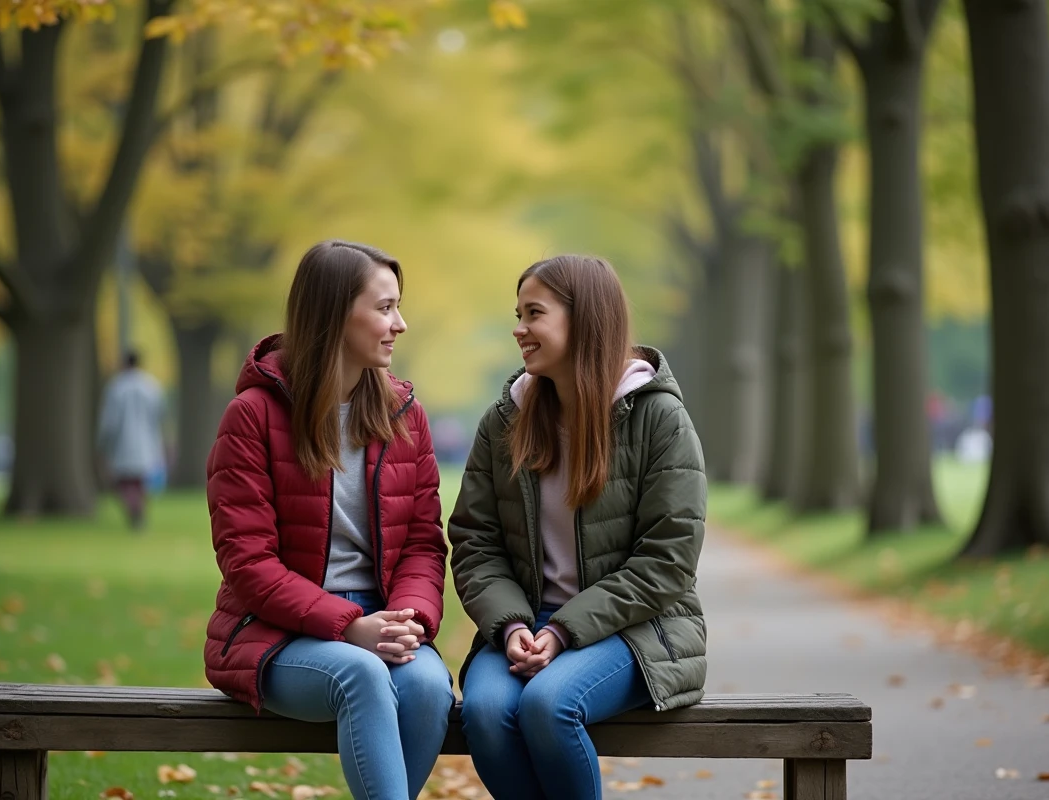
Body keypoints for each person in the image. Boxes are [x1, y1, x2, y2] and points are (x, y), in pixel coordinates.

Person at [449, 254, 708, 800]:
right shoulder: (505, 422)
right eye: (517, 314)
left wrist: (566, 630)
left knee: (549, 705)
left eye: (533, 314)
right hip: (526, 626)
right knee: (487, 711)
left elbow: (668, 559)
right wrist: (513, 625)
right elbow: (476, 542)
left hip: (640, 632)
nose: (519, 329)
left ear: (583, 318)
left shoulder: (657, 417)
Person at [204, 240, 452, 800]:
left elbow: (422, 542)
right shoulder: (252, 417)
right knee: (360, 675)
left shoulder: (402, 413)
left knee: (431, 688)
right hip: (275, 635)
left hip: (381, 619)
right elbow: (248, 562)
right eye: (385, 308)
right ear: (335, 313)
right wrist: (348, 626)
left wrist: (407, 617)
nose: (400, 324)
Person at [97, 350, 165, 529]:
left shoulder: (116, 387)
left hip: (122, 444)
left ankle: (133, 509)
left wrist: (103, 442)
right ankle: (138, 508)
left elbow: (109, 421)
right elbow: (159, 416)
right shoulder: (152, 386)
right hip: (147, 442)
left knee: (124, 481)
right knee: (140, 481)